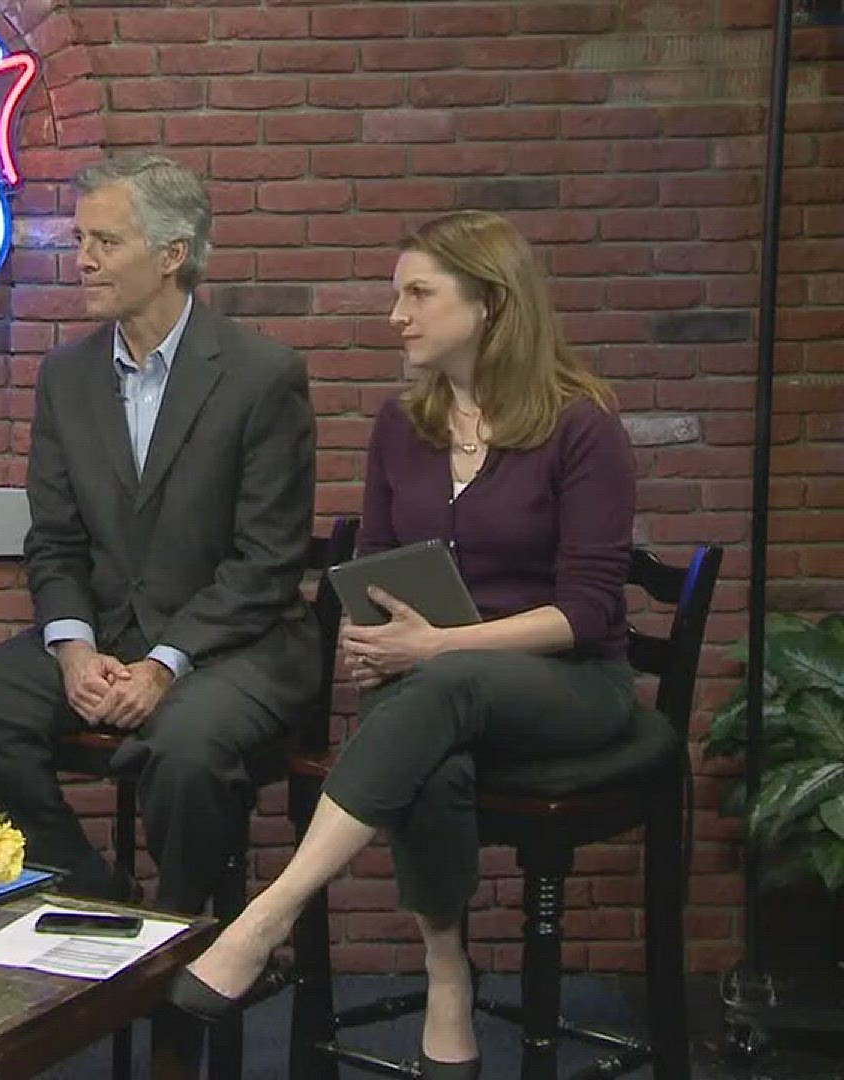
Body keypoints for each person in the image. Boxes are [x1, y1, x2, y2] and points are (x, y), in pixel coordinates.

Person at [168, 210, 639, 1080]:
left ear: (491, 303)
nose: (397, 315)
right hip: (434, 694)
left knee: (444, 685)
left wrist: (435, 649)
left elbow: (587, 611)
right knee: (435, 742)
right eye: (398, 294)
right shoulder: (403, 425)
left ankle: (269, 916)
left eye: (419, 293)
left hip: (568, 686)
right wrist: (374, 637)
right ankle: (446, 969)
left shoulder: (583, 428)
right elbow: (377, 571)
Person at [0, 153, 319, 913]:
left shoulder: (263, 376)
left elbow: (267, 562)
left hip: (234, 646)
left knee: (185, 747)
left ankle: (180, 933)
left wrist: (164, 665)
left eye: (106, 242)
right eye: (79, 240)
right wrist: (72, 649)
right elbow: (56, 540)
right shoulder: (66, 378)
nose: (83, 261)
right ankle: (92, 898)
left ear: (172, 255)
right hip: (107, 635)